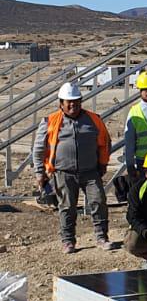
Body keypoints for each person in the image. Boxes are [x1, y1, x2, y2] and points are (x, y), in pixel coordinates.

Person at [34, 82, 113, 253]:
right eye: (68, 102)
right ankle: (68, 241)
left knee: (98, 202)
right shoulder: (50, 121)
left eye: (76, 101)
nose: (73, 105)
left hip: (90, 171)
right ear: (61, 103)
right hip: (63, 173)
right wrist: (39, 173)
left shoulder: (94, 120)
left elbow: (105, 143)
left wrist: (102, 163)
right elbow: (39, 149)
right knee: (67, 207)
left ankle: (102, 237)